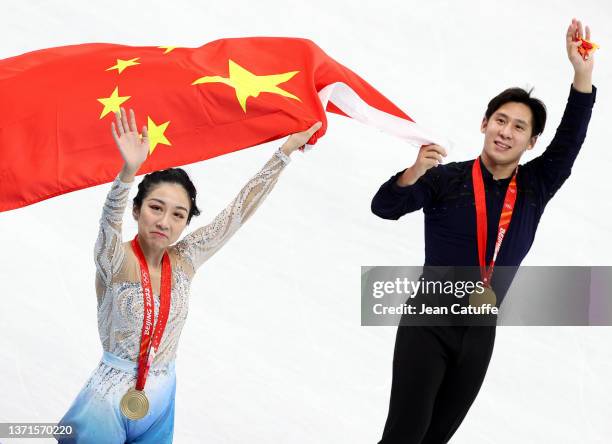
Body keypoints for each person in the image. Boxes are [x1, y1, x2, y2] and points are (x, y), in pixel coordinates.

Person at [370, 18, 596, 444]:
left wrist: (581, 76)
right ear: (484, 123)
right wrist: (414, 171)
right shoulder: (446, 180)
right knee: (404, 436)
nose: (505, 131)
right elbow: (384, 207)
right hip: (429, 321)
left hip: (479, 332)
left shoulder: (534, 187)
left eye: (519, 127)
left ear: (531, 143)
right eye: (500, 120)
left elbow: (570, 142)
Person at [56, 107, 322, 443]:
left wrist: (284, 152)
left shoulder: (184, 260)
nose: (164, 222)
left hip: (162, 396)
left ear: (186, 222)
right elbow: (107, 222)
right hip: (106, 401)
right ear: (137, 210)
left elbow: (236, 213)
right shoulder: (116, 259)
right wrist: (128, 172)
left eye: (178, 214)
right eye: (156, 207)